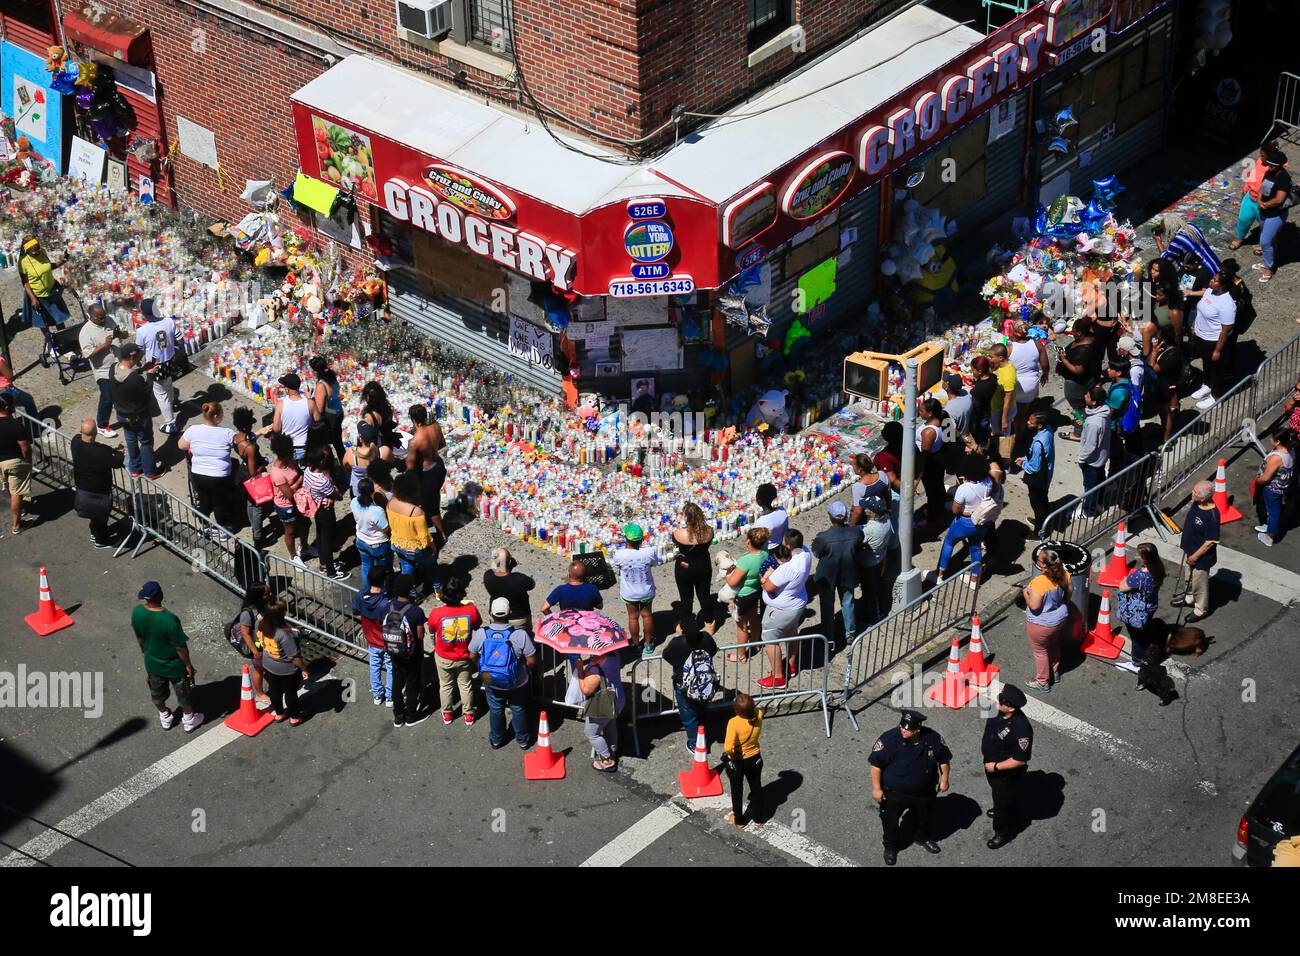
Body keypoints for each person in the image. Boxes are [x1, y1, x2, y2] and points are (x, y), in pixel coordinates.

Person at [869, 709, 951, 865]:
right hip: (894, 793)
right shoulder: (889, 740)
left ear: (917, 729)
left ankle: (922, 837)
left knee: (924, 817)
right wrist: (876, 789)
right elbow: (875, 765)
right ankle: (891, 847)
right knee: (890, 821)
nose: (903, 730)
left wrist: (944, 779)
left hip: (924, 792)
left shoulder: (932, 738)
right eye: (902, 726)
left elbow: (944, 760)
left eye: (908, 728)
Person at [132, 581, 204, 732]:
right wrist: (188, 665)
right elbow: (180, 647)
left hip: (153, 664)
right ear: (160, 594)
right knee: (183, 693)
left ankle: (165, 716)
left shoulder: (137, 613)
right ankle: (189, 720)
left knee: (156, 693)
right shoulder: (169, 619)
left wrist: (144, 651)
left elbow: (140, 637)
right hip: (174, 667)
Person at [469, 596, 537, 749]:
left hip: (489, 678)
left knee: (495, 708)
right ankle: (522, 740)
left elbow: (472, 655)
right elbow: (531, 660)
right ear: (510, 612)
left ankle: (497, 739)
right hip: (517, 680)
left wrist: (481, 667)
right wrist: (525, 670)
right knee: (518, 709)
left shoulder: (481, 633)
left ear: (490, 613)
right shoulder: (520, 634)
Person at [426, 574, 482, 726]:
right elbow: (477, 625)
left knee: (445, 685)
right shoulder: (471, 610)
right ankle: (469, 714)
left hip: (443, 656)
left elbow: (431, 629)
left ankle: (447, 713)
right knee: (465, 685)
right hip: (464, 656)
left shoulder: (437, 613)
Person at [759, 530, 811, 689]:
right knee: (791, 632)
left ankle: (779, 677)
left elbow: (768, 586)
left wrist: (765, 577)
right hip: (797, 604)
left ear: (787, 545)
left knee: (770, 640)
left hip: (780, 610)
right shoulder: (806, 554)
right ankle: (791, 665)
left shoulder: (786, 568)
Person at [982, 684, 1032, 849]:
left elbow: (1019, 759)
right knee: (998, 795)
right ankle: (1004, 808)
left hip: (1004, 773)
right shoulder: (997, 711)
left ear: (1010, 708)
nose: (998, 701)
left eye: (1002, 701)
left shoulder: (1021, 729)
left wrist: (995, 767)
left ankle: (1002, 832)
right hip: (991, 765)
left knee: (1003, 800)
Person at [178, 401, 235, 536]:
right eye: (221, 414)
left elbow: (181, 445)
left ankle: (204, 527)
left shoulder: (193, 430)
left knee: (203, 500)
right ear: (216, 416)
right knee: (219, 503)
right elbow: (240, 443)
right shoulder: (227, 433)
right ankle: (222, 530)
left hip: (198, 474)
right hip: (219, 476)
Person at [811, 501, 864, 642]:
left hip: (827, 576)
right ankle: (850, 633)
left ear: (830, 517)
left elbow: (816, 552)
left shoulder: (823, 537)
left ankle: (828, 636)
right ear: (846, 515)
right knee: (848, 602)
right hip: (848, 573)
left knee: (828, 605)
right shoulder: (856, 532)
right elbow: (859, 546)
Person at [109, 343, 163, 480]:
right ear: (132, 357)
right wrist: (150, 375)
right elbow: (146, 393)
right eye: (138, 356)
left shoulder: (113, 369)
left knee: (131, 440)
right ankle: (150, 471)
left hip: (122, 415)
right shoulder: (134, 379)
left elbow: (128, 377)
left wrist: (141, 370)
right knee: (145, 442)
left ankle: (135, 469)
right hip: (139, 415)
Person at [935, 454, 992, 583]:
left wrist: (964, 484)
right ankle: (974, 579)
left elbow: (955, 510)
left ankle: (939, 575)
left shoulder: (963, 489)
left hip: (965, 522)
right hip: (982, 521)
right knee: (975, 547)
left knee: (949, 542)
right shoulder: (988, 482)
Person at [1022, 547, 1071, 692]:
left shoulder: (1039, 583)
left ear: (1044, 565)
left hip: (1042, 623)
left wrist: (1026, 593)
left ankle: (1042, 682)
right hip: (1060, 617)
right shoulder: (1064, 574)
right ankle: (1054, 671)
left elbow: (1034, 606)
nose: (1037, 560)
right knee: (1054, 643)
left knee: (1040, 650)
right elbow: (1069, 591)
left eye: (1039, 559)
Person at [611, 523, 664, 656]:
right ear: (641, 539)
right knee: (647, 615)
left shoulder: (620, 554)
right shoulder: (649, 552)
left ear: (627, 539)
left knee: (633, 617)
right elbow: (656, 562)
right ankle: (648, 643)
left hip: (630, 592)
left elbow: (615, 566)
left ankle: (635, 643)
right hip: (646, 590)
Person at [382, 574, 428, 728]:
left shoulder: (387, 607)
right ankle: (411, 716)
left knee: (397, 682)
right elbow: (420, 634)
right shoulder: (416, 611)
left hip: (394, 652)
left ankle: (398, 716)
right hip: (411, 655)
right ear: (410, 590)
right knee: (411, 683)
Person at [662, 627, 719, 749]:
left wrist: (678, 664)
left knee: (689, 717)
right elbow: (713, 650)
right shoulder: (706, 638)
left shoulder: (677, 643)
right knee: (702, 711)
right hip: (705, 684)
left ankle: (695, 744)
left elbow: (666, 655)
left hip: (684, 686)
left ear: (683, 631)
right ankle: (703, 736)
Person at [1190, 270, 1237, 410]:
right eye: (1213, 278)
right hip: (1201, 336)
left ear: (1222, 285)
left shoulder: (1227, 304)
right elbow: (1201, 310)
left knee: (1216, 369)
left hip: (1213, 341)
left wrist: (1217, 350)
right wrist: (1194, 325)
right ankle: (1207, 385)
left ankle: (1216, 397)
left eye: (1215, 280)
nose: (1211, 281)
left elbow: (1226, 330)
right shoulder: (1209, 291)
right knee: (1206, 364)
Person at [257, 600, 310, 725]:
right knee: (290, 692)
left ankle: (279, 713)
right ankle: (294, 717)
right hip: (286, 670)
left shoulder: (260, 625)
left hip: (269, 665)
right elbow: (294, 657)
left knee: (274, 690)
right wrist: (304, 669)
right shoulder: (285, 635)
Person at [72, 418, 122, 548]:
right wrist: (119, 453)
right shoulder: (101, 452)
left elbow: (80, 438)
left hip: (83, 491)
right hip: (99, 493)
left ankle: (95, 533)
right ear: (95, 434)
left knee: (94, 516)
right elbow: (117, 462)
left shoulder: (75, 443)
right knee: (101, 517)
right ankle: (101, 541)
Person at [79, 304, 127, 437]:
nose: (103, 319)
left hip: (118, 364)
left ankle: (124, 415)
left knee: (122, 391)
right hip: (103, 371)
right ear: (91, 316)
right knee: (107, 397)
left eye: (104, 316)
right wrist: (105, 345)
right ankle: (101, 425)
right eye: (100, 318)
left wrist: (120, 334)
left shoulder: (110, 319)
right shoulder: (85, 332)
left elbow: (126, 334)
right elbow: (87, 354)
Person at [1116, 543, 1165, 674]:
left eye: (1139, 554)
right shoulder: (1159, 568)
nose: (1136, 555)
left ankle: (1136, 663)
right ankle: (1146, 645)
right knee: (1144, 629)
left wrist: (1125, 579)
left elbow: (1122, 587)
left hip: (1137, 610)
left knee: (1136, 637)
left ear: (1145, 558)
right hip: (1151, 605)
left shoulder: (1139, 576)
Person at [134, 299, 181, 435]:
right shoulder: (169, 321)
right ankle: (172, 404)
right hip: (170, 360)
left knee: (161, 395)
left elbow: (139, 350)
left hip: (156, 365)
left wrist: (139, 365)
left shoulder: (142, 330)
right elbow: (181, 340)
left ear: (143, 313)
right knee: (168, 384)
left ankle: (170, 423)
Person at [405, 404, 447, 553]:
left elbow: (410, 466)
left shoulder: (415, 441)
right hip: (439, 466)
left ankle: (441, 533)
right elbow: (442, 444)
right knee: (434, 497)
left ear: (414, 421)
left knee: (432, 506)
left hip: (428, 473)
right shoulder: (436, 426)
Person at [575, 649, 625, 772]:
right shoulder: (614, 654)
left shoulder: (596, 671)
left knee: (592, 733)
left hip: (603, 706)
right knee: (610, 726)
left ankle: (607, 759)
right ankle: (612, 749)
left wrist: (580, 670)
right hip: (617, 699)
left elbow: (586, 690)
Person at [388, 471, 437, 595]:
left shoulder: (390, 503)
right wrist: (433, 548)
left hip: (397, 544)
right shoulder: (416, 512)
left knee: (406, 566)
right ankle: (437, 588)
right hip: (414, 548)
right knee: (431, 565)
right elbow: (424, 536)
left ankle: (410, 592)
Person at [724, 526, 769, 662]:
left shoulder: (746, 560)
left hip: (743, 595)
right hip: (756, 591)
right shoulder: (765, 554)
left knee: (742, 626)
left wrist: (727, 573)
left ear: (749, 541)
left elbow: (732, 582)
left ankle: (741, 654)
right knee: (754, 619)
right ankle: (755, 643)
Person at [670, 502, 716, 635]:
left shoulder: (680, 533)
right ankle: (709, 623)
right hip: (703, 565)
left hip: (685, 567)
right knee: (704, 595)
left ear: (687, 518)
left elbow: (675, 538)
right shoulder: (708, 531)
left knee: (686, 598)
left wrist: (679, 523)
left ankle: (686, 626)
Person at [1178, 481, 1220, 623]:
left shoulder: (1212, 515)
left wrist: (1195, 556)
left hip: (1200, 558)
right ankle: (1189, 597)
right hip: (1190, 551)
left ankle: (1201, 609)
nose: (1192, 493)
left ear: (1203, 498)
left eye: (1195, 492)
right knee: (1188, 577)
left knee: (1199, 584)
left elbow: (1210, 542)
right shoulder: (1196, 504)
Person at [351, 567, 394, 706]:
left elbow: (355, 610)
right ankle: (390, 696)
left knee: (374, 666)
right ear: (384, 581)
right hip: (386, 641)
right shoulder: (385, 604)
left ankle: (377, 694)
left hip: (371, 639)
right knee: (390, 667)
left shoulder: (361, 595)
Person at [303, 446, 346, 580]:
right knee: (326, 540)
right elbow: (338, 495)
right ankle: (331, 571)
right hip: (324, 510)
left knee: (321, 536)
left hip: (316, 507)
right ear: (321, 462)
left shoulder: (307, 471)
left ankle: (323, 564)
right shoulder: (322, 480)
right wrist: (333, 491)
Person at [723, 693, 765, 828]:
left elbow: (728, 747)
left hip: (740, 761)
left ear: (737, 711)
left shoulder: (734, 722)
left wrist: (731, 756)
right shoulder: (758, 714)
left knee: (737, 790)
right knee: (756, 787)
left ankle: (740, 821)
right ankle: (759, 818)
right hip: (755, 758)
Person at [232, 406, 270, 547]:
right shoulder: (250, 448)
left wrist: (259, 433)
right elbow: (254, 471)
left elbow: (249, 437)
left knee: (249, 503)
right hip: (252, 477)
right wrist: (265, 462)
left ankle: (254, 527)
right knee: (258, 508)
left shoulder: (236, 438)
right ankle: (258, 538)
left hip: (242, 475)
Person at [17, 236, 71, 333]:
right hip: (38, 296)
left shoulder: (43, 252)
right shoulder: (23, 262)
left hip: (52, 291)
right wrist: (33, 298)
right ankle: (51, 341)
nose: (37, 252)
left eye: (38, 249)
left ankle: (63, 336)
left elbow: (50, 266)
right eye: (34, 251)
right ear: (26, 251)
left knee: (59, 318)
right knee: (43, 321)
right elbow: (25, 283)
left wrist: (64, 260)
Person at [1009, 321, 1049, 447]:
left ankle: (1018, 436)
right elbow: (1045, 364)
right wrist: (1045, 375)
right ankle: (1022, 431)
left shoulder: (1009, 348)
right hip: (1031, 384)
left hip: (1017, 385)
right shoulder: (1037, 344)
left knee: (1017, 414)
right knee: (1023, 411)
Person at [1256, 146, 1291, 283]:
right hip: (1263, 212)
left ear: (1278, 166)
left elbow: (1279, 199)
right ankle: (1267, 260)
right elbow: (1261, 186)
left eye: (1271, 165)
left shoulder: (1283, 178)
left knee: (1265, 241)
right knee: (1271, 240)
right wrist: (1259, 200)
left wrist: (1265, 204)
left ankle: (1269, 267)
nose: (1268, 167)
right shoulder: (1269, 172)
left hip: (1276, 215)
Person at [1056, 320, 1097, 439]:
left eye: (1073, 332)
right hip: (1084, 380)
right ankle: (1085, 424)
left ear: (1080, 333)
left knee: (1079, 408)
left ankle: (1078, 433)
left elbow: (1078, 371)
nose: (1072, 334)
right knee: (1082, 407)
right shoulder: (1087, 339)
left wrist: (1063, 359)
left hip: (1076, 384)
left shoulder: (1084, 350)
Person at [268, 433, 305, 564]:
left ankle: (304, 547)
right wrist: (299, 481)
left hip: (298, 501)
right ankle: (293, 556)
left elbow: (299, 474)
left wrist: (297, 482)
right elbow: (290, 494)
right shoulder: (277, 473)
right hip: (286, 506)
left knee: (304, 524)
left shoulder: (290, 461)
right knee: (290, 531)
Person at [234, 582, 273, 708]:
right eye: (266, 594)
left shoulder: (265, 604)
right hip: (259, 647)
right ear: (257, 596)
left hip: (268, 643)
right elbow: (246, 634)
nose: (270, 595)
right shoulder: (247, 613)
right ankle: (260, 694)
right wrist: (255, 652)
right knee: (259, 670)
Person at [261, 372, 315, 461]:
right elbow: (318, 422)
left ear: (287, 389)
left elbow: (276, 428)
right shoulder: (310, 403)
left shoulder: (280, 404)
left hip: (288, 448)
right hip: (306, 447)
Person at [1253, 430, 1294, 548]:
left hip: (1272, 489)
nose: (1270, 439)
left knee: (1273, 511)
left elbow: (1265, 478)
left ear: (1278, 442)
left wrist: (1258, 480)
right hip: (1280, 488)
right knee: (1271, 509)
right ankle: (1269, 526)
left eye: (1272, 438)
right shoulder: (1290, 450)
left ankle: (1269, 537)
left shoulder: (1277, 458)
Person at [0, 395, 34, 535]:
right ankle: (16, 525)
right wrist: (28, 461)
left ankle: (21, 508)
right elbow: (25, 447)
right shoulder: (15, 425)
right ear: (8, 407)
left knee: (9, 487)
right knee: (17, 493)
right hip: (14, 462)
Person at [1017, 412, 1055, 534]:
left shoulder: (1038, 443)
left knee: (1037, 503)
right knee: (1043, 500)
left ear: (1039, 425)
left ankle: (1040, 530)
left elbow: (1034, 468)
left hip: (1038, 479)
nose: (1028, 423)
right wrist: (1025, 458)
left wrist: (1022, 464)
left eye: (1031, 422)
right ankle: (1042, 521)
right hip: (1046, 474)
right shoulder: (1048, 430)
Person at [1077, 385, 1112, 518]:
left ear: (1094, 402)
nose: (1085, 396)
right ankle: (1098, 504)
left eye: (1087, 395)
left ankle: (1088, 511)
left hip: (1092, 462)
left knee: (1089, 487)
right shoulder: (1104, 413)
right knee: (1100, 482)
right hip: (1101, 459)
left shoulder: (1093, 423)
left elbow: (1090, 446)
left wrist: (1081, 459)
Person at [1230, 144, 1272, 252]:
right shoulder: (1259, 161)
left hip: (1263, 202)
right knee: (1243, 219)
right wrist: (1245, 188)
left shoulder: (1275, 169)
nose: (1260, 158)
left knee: (1265, 226)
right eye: (1260, 155)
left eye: (1263, 156)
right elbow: (1252, 176)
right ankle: (1240, 238)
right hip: (1250, 197)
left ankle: (1264, 243)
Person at [482, 547, 536, 632]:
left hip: (497, 617)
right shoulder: (519, 579)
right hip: (518, 617)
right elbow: (532, 584)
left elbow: (496, 570)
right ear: (510, 562)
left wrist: (501, 563)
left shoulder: (488, 576)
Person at [857, 496, 892, 625]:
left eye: (866, 508)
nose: (864, 509)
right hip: (880, 558)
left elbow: (858, 540)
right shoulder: (887, 519)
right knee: (877, 585)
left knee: (868, 590)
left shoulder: (869, 530)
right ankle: (880, 609)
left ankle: (872, 616)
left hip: (868, 563)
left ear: (872, 512)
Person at [351, 477, 391, 584]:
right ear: (372, 491)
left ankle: (367, 591)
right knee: (382, 571)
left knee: (366, 566)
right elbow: (386, 528)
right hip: (377, 544)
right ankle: (383, 593)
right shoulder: (377, 511)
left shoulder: (354, 502)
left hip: (361, 540)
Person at [915, 397, 948, 528]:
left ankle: (931, 518)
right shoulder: (942, 418)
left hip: (930, 464)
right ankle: (939, 508)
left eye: (921, 411)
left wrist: (918, 476)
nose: (919, 412)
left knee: (932, 491)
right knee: (938, 486)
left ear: (930, 413)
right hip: (939, 458)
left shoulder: (928, 432)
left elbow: (924, 455)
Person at [1150, 324, 1184, 444]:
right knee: (1163, 411)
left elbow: (1152, 369)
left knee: (1165, 413)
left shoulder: (1170, 355)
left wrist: (1154, 352)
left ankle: (1166, 440)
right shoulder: (1170, 349)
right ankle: (1165, 430)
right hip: (1164, 384)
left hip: (1165, 386)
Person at [309, 355, 346, 459]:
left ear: (315, 371)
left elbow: (319, 409)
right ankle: (345, 467)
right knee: (338, 443)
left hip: (330, 418)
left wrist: (309, 398)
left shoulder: (321, 385)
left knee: (324, 444)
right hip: (337, 413)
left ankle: (329, 466)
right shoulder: (332, 379)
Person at [1104, 361, 1136, 476]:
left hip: (1114, 426)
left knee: (1114, 452)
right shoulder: (1126, 382)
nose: (1107, 370)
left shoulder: (1118, 393)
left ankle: (1114, 474)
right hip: (1117, 422)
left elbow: (1108, 414)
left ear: (1118, 373)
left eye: (1110, 368)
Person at [343, 422, 390, 497]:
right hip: (380, 491)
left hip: (359, 491)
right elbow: (391, 463)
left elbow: (346, 467)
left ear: (360, 438)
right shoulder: (384, 451)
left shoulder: (351, 453)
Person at [848, 453, 891, 526]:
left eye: (854, 466)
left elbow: (858, 512)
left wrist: (851, 526)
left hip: (868, 520)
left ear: (860, 470)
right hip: (881, 511)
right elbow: (887, 494)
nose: (853, 467)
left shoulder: (858, 487)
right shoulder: (882, 475)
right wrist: (888, 508)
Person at [988, 344, 1018, 449]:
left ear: (1000, 358)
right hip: (997, 407)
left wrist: (1004, 419)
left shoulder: (1008, 377)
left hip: (1001, 410)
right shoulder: (1007, 364)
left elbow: (1007, 400)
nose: (990, 359)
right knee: (998, 432)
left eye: (992, 357)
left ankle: (1004, 457)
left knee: (1004, 435)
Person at [968, 355, 999, 450]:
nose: (972, 372)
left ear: (980, 371)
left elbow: (976, 407)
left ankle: (982, 447)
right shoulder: (993, 377)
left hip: (983, 415)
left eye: (973, 370)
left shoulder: (978, 390)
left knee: (981, 430)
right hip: (991, 409)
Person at [361, 381, 400, 453]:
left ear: (367, 397)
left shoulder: (369, 416)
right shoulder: (387, 409)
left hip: (377, 450)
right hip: (388, 445)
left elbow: (367, 438)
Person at [753, 482, 789, 550]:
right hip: (781, 543)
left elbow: (757, 542)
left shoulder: (760, 522)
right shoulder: (782, 511)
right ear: (774, 497)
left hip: (768, 550)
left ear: (758, 501)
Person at [942, 373, 972, 441]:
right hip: (966, 431)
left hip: (958, 440)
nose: (942, 382)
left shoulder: (948, 411)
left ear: (947, 386)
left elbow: (948, 436)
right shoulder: (965, 394)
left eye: (944, 381)